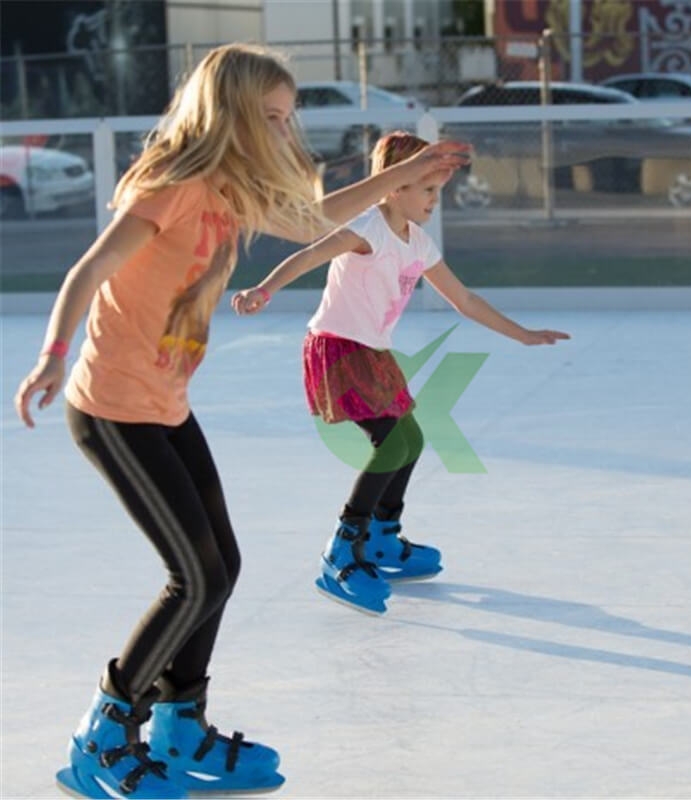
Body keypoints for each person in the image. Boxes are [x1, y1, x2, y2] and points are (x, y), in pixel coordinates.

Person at [13, 46, 469, 800]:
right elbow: (87, 269)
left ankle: (178, 725)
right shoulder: (174, 183)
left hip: (165, 407)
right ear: (229, 114)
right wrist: (55, 354)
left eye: (289, 118)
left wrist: (400, 177)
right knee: (193, 577)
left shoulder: (232, 190)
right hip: (112, 409)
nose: (284, 131)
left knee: (220, 567)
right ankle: (104, 732)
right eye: (270, 117)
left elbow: (314, 219)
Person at [231, 131, 570, 617]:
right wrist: (264, 290)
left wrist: (522, 334)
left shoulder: (420, 244)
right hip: (337, 347)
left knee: (410, 439)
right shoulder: (367, 227)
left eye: (437, 191)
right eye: (427, 190)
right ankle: (342, 549)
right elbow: (309, 255)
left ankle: (384, 538)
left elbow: (465, 299)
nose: (435, 201)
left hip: (373, 351)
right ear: (395, 187)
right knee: (391, 442)